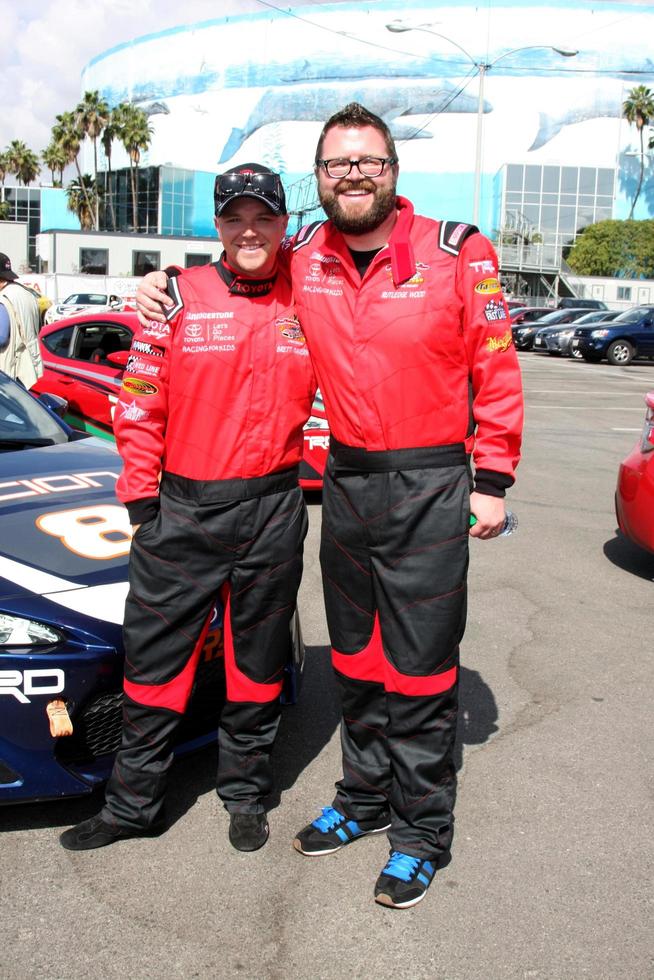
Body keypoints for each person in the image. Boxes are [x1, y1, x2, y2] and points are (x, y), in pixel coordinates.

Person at [135, 104, 524, 909]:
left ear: (392, 172)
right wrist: (155, 285)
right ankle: (364, 795)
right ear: (319, 180)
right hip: (346, 484)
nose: (353, 175)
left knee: (418, 674)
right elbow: (231, 278)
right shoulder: (304, 256)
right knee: (356, 662)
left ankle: (422, 832)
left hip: (430, 483)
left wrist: (494, 477)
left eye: (368, 162)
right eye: (337, 164)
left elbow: (497, 368)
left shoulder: (458, 253)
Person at [60, 163, 316, 853]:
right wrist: (143, 504)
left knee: (257, 665)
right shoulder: (176, 296)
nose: (250, 229)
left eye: (264, 216)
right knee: (154, 667)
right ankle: (133, 806)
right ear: (218, 226)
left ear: (285, 224)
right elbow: (138, 405)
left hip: (273, 509)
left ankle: (245, 793)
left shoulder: (312, 292)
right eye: (236, 217)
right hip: (184, 510)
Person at [0, 253, 43, 388]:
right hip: (28, 369)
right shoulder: (27, 294)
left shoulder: (3, 299)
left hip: (9, 371)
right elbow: (38, 327)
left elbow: (1, 338)